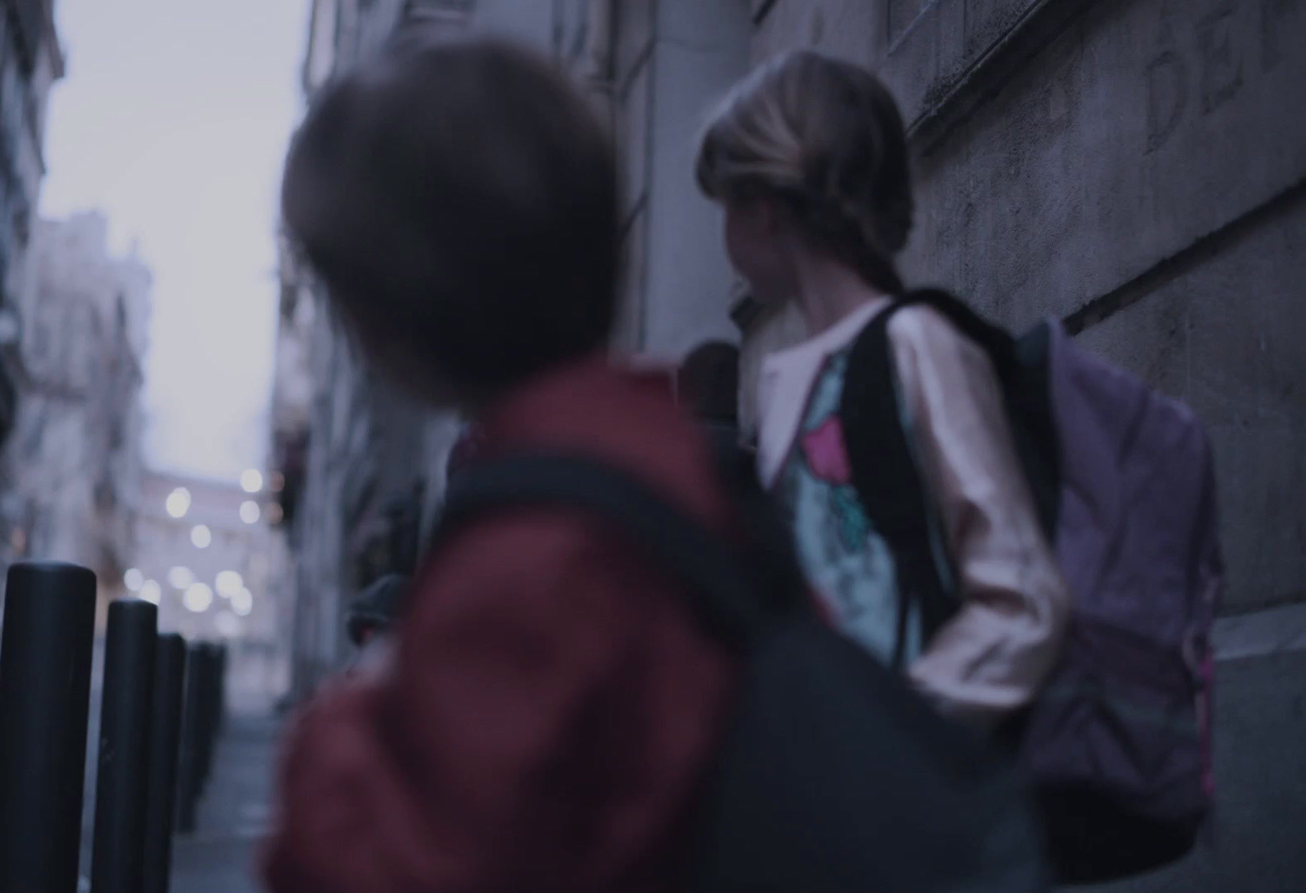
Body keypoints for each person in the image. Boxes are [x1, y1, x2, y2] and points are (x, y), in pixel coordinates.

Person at [263, 34, 741, 893]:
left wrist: (339, 723)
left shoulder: (532, 560)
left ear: (386, 315)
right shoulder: (672, 469)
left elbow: (380, 867)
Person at [694, 50, 1070, 732]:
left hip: (915, 808)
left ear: (767, 208)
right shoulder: (784, 380)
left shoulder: (919, 344)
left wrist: (894, 742)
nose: (723, 232)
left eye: (726, 205)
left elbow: (1021, 601)